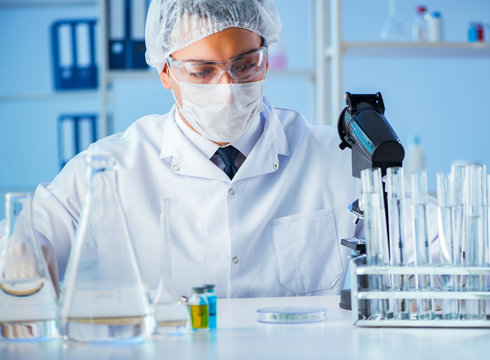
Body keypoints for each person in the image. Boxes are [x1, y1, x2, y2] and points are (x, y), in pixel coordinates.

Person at [0, 0, 364, 298]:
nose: (226, 88)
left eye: (244, 65)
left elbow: (414, 245)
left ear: (265, 59)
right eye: (202, 71)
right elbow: (34, 231)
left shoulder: (333, 157)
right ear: (165, 72)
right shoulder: (109, 168)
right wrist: (21, 248)